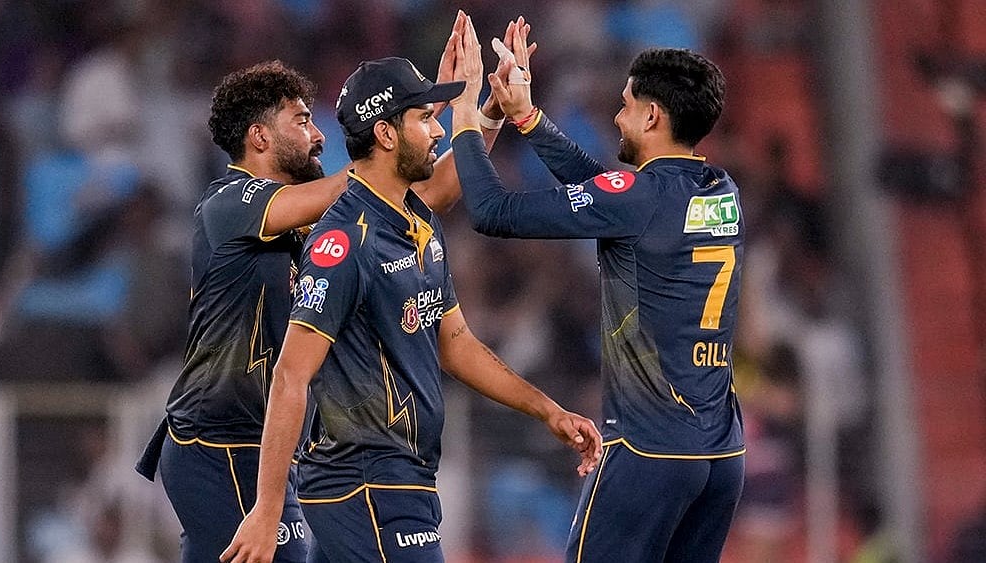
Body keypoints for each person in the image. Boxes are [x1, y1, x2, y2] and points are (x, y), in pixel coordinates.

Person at [219, 27, 602, 563]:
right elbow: (291, 375)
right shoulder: (342, 241)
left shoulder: (413, 221)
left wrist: (548, 411)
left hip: (396, 478)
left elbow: (457, 342)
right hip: (366, 482)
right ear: (385, 134)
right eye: (424, 120)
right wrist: (267, 508)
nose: (438, 133)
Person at [134, 14, 497, 562]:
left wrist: (460, 117)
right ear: (259, 137)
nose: (319, 133)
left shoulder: (310, 217)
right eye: (302, 121)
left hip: (278, 444)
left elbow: (425, 194)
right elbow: (369, 183)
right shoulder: (230, 205)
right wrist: (408, 120)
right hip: (220, 443)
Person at [448, 18, 746, 562]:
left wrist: (467, 118)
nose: (617, 116)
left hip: (647, 450)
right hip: (721, 456)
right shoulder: (719, 189)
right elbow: (608, 193)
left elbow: (492, 211)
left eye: (627, 104)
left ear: (653, 115)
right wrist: (526, 118)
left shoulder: (637, 197)